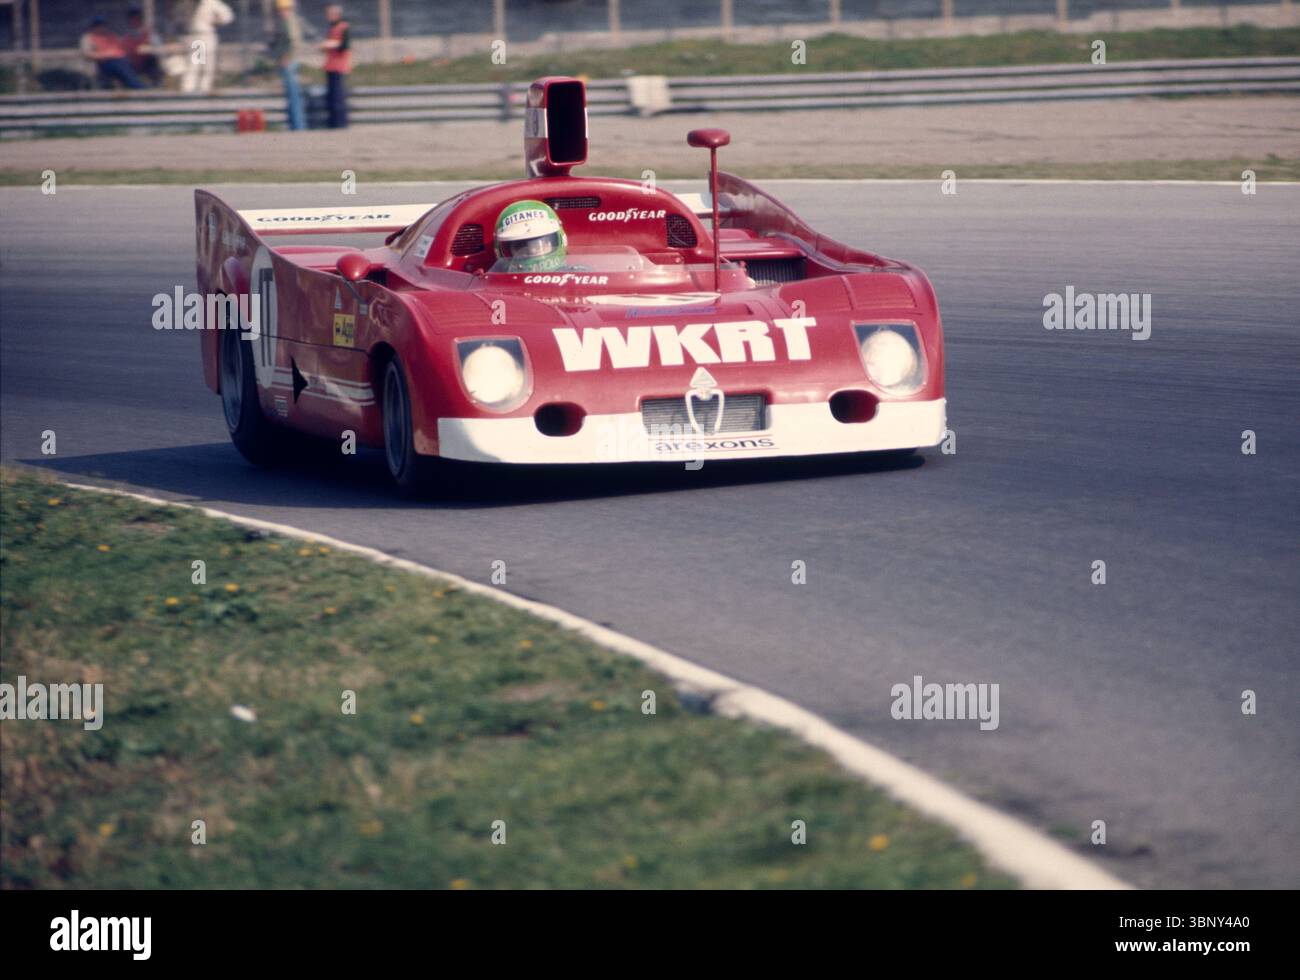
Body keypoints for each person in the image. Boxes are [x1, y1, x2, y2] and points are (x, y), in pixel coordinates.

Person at [493, 201, 568, 273]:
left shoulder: (575, 278)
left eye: (542, 244)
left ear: (562, 240)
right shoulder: (495, 285)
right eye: (520, 246)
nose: (533, 251)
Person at [180, 0, 234, 95]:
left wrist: (217, 21)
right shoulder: (190, 3)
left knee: (208, 64)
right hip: (196, 35)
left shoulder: (212, 3)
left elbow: (228, 17)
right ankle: (188, 89)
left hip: (207, 34)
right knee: (195, 63)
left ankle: (205, 88)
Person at [80, 16, 148, 90]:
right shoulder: (88, 38)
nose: (101, 27)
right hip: (104, 64)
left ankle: (139, 85)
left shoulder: (111, 35)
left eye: (102, 25)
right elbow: (87, 54)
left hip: (121, 59)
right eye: (98, 25)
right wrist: (107, 55)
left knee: (133, 62)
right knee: (122, 68)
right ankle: (140, 87)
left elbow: (120, 47)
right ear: (93, 26)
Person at [270, 0, 306, 131]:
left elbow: (294, 41)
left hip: (290, 61)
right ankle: (295, 125)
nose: (281, 12)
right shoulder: (285, 22)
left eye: (283, 9)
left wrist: (287, 57)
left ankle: (298, 126)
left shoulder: (291, 21)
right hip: (287, 60)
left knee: (293, 95)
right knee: (291, 95)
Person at [319, 4, 352, 129]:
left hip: (339, 66)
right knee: (332, 96)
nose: (327, 17)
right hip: (330, 65)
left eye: (330, 14)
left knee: (338, 97)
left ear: (336, 15)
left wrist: (331, 44)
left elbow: (345, 46)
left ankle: (341, 123)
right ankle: (333, 124)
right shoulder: (331, 28)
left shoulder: (343, 27)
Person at [122, 8, 163, 87]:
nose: (135, 22)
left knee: (153, 61)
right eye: (132, 19)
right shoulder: (126, 36)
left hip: (146, 62)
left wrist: (149, 48)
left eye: (137, 19)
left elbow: (158, 48)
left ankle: (156, 86)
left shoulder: (150, 35)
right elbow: (123, 50)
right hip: (132, 63)